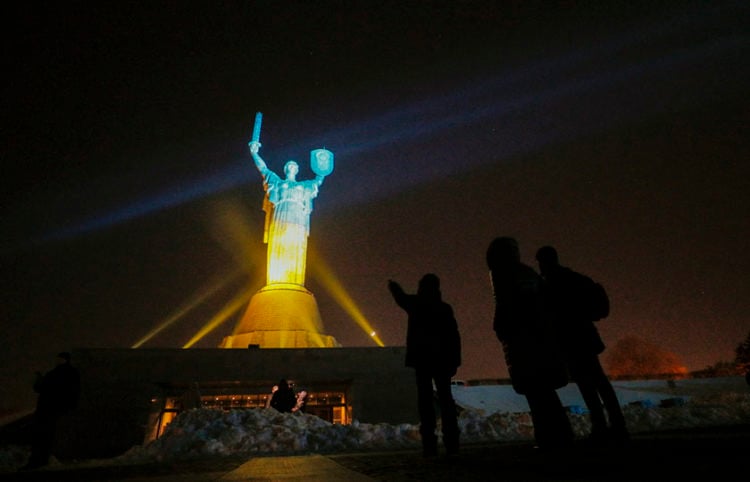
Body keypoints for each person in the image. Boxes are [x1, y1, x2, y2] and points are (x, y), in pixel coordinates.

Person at [486, 237, 574, 450]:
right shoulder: (527, 275)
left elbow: (510, 308)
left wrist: (504, 327)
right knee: (543, 392)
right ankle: (557, 437)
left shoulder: (508, 276)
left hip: (526, 344)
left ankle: (551, 439)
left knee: (537, 393)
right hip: (538, 341)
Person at [535, 245, 629, 445]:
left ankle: (601, 426)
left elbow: (549, 315)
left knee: (588, 385)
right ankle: (616, 424)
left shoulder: (550, 284)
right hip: (585, 337)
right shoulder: (574, 278)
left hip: (570, 340)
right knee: (599, 382)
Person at [388, 274, 461, 457]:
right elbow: (454, 336)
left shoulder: (416, 305)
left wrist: (394, 287)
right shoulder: (444, 308)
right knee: (446, 400)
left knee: (425, 401)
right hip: (442, 361)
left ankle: (429, 444)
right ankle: (451, 443)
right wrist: (455, 360)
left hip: (422, 361)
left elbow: (401, 298)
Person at [248, 137, 331, 286]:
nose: (292, 167)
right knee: (279, 244)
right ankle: (277, 282)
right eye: (289, 166)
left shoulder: (304, 185)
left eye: (295, 166)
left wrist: (321, 170)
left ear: (297, 170)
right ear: (285, 169)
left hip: (297, 216)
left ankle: (294, 282)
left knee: (295, 245)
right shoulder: (277, 182)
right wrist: (255, 154)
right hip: (281, 212)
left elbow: (318, 181)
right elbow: (263, 169)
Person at [21, 352, 81, 470]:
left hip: (50, 409)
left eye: (60, 359)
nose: (58, 361)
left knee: (42, 436)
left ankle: (38, 460)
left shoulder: (62, 374)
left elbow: (45, 388)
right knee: (43, 436)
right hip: (50, 409)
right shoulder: (64, 373)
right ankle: (39, 460)